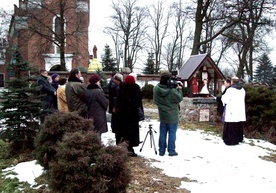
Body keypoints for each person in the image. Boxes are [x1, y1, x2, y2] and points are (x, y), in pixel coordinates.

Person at [153, 71, 183, 156]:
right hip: (172, 115)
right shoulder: (172, 91)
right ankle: (171, 150)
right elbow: (179, 98)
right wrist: (179, 90)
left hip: (162, 114)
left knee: (162, 133)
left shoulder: (156, 89)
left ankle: (161, 151)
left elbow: (155, 100)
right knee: (172, 133)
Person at [118, 75, 143, 157]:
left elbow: (118, 101)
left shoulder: (121, 88)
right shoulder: (136, 89)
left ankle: (124, 146)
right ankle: (130, 148)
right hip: (133, 115)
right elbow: (139, 102)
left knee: (124, 132)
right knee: (132, 132)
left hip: (122, 115)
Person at [221, 76, 246, 145]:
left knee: (231, 126)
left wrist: (222, 97)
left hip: (232, 110)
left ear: (232, 81)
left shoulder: (231, 90)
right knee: (237, 125)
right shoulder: (242, 89)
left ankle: (230, 140)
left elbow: (225, 100)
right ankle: (238, 139)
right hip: (239, 110)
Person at [85, 73, 109, 142]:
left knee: (93, 132)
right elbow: (105, 103)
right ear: (96, 82)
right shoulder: (98, 91)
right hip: (98, 115)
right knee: (98, 133)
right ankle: (97, 148)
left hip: (90, 113)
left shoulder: (87, 91)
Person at [109, 73, 123, 144]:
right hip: (117, 109)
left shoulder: (112, 85)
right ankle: (119, 141)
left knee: (115, 125)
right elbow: (115, 98)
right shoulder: (117, 87)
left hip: (114, 108)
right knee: (117, 125)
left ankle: (118, 139)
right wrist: (115, 106)